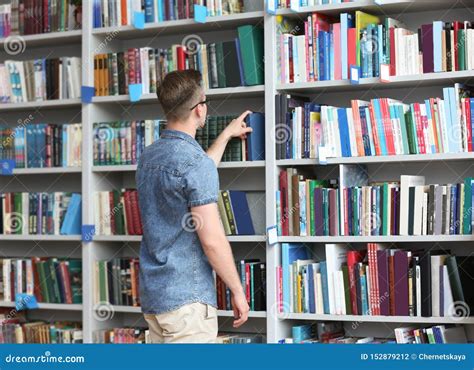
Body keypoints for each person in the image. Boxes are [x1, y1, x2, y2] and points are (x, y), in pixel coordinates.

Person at [136, 69, 252, 343]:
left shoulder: (148, 156)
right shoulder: (194, 163)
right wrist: (237, 290)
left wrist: (224, 136)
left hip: (156, 299)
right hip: (187, 302)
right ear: (200, 109)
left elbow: (194, 176)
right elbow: (211, 240)